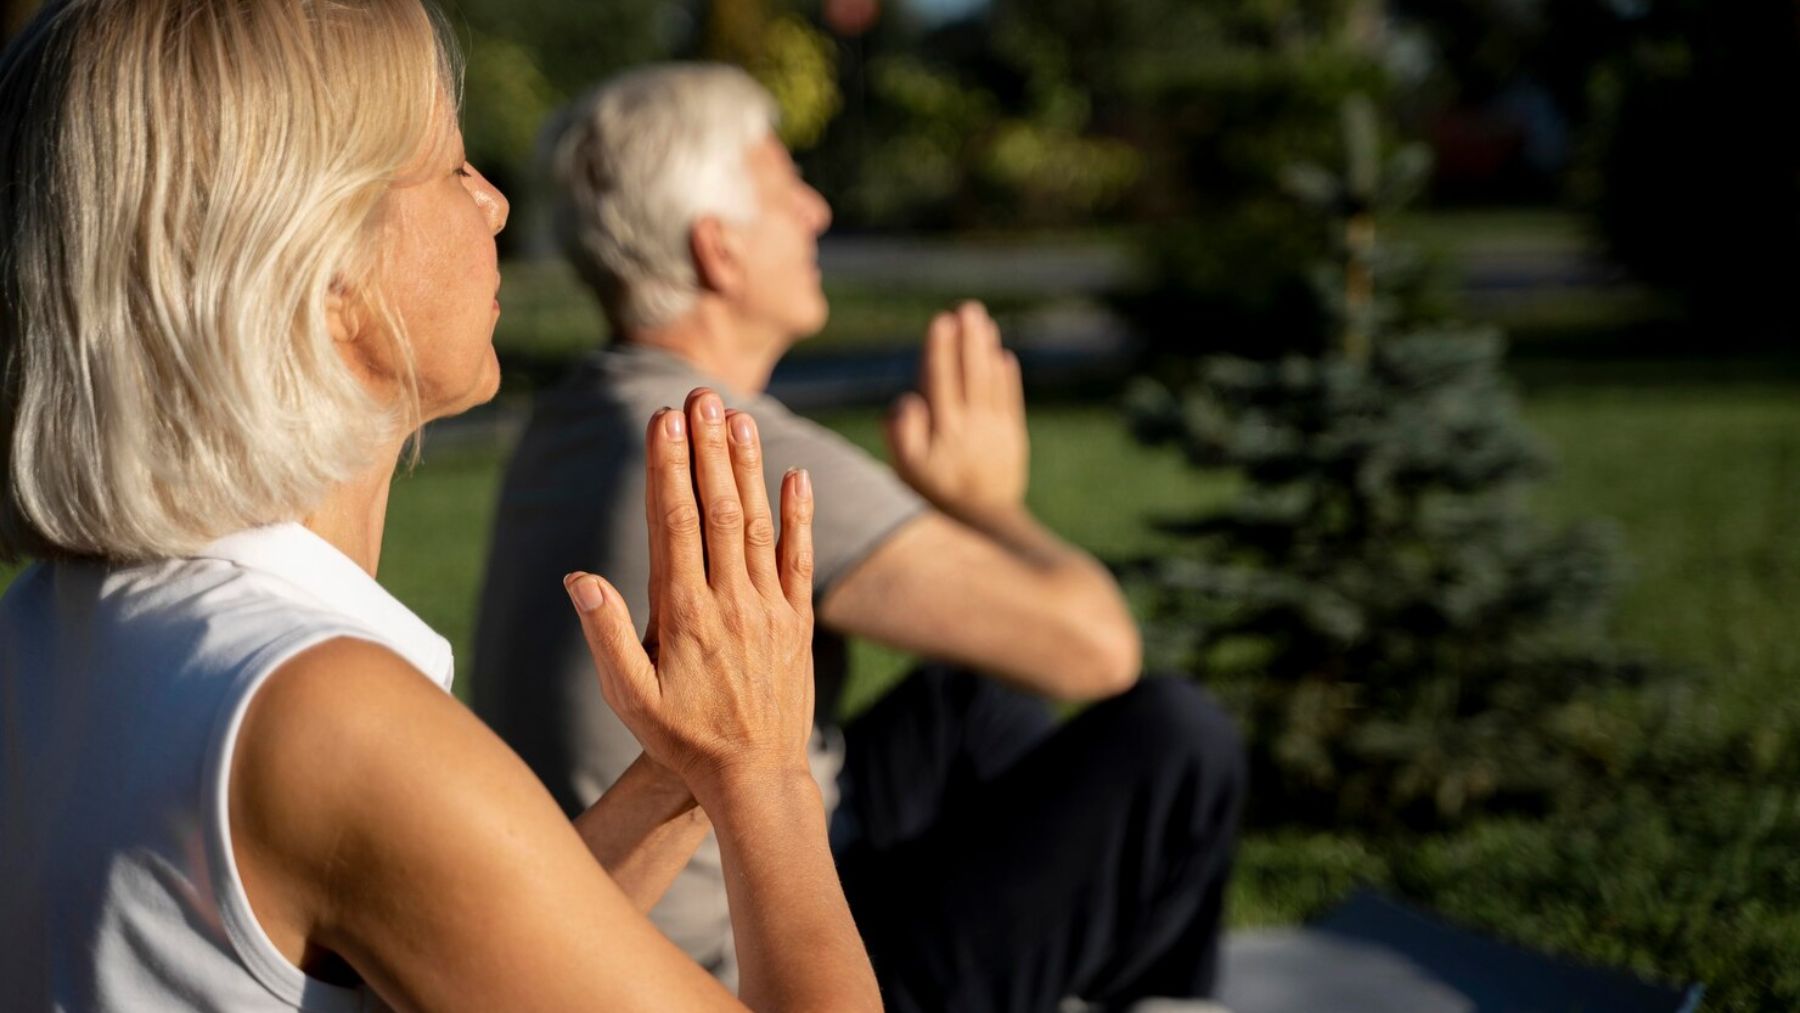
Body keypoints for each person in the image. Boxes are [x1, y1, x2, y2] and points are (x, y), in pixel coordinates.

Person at [0, 4, 880, 1010]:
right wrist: (765, 774)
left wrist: (681, 777)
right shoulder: (324, 716)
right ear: (327, 272)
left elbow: (474, 945)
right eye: (452, 168)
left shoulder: (49, 624)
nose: (497, 204)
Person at [474, 62, 1247, 1011]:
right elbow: (1096, 651)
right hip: (735, 965)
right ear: (718, 250)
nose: (818, 209)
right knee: (1178, 739)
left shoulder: (580, 415)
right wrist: (988, 501)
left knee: (977, 701)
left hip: (648, 896)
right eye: (784, 186)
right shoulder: (726, 448)